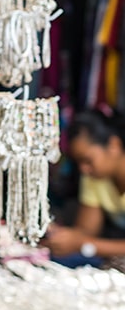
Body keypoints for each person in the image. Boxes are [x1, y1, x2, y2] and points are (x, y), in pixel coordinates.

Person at [43, 110, 125, 263]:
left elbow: (83, 241)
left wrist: (83, 244)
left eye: (87, 160)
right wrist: (61, 236)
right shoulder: (95, 178)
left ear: (114, 145)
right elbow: (86, 231)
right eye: (79, 163)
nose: (83, 169)